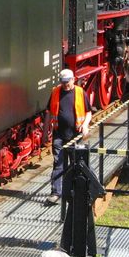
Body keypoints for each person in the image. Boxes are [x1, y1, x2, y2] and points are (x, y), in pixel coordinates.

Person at [44, 68, 91, 206]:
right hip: (59, 134)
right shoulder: (55, 92)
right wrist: (46, 132)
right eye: (63, 82)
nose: (65, 85)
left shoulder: (80, 92)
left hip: (75, 135)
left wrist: (86, 125)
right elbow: (49, 113)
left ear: (73, 79)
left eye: (67, 82)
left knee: (76, 163)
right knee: (58, 163)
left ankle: (76, 191)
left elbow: (88, 112)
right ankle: (55, 193)